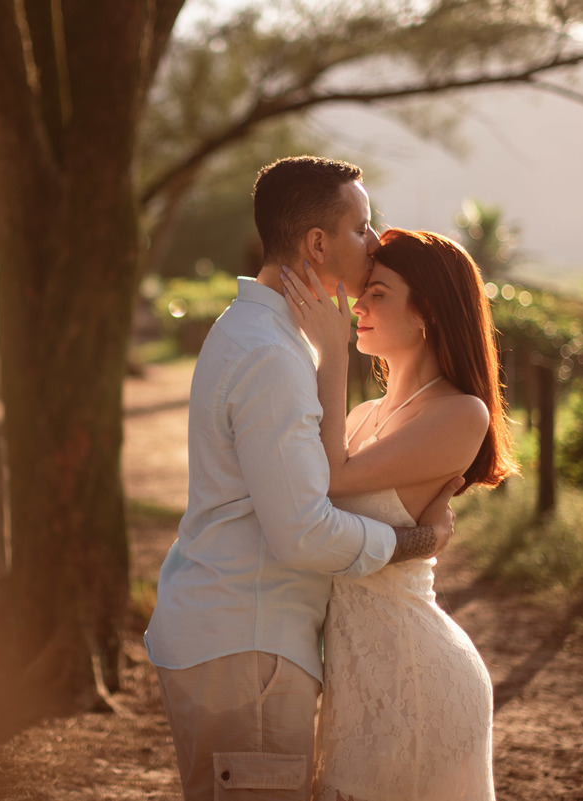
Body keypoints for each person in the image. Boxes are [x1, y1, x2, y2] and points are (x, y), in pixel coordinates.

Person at [144, 156, 464, 801]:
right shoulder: (271, 355)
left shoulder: (256, 333)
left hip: (238, 636)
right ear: (317, 243)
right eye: (361, 227)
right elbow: (302, 533)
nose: (375, 243)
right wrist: (413, 544)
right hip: (249, 647)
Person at [280, 228, 518, 801]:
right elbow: (306, 503)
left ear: (427, 313)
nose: (358, 304)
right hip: (354, 681)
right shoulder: (362, 416)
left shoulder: (462, 413)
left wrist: (331, 350)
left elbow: (329, 478)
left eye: (378, 293)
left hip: (416, 676)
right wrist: (425, 536)